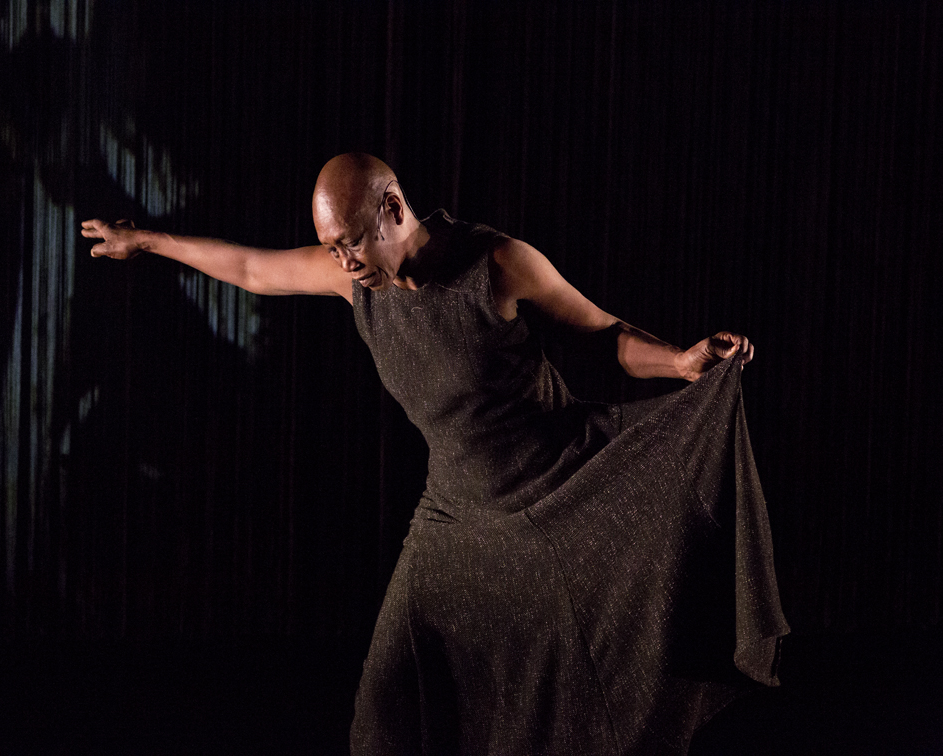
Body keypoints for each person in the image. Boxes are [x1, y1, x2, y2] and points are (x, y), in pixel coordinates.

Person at [83, 152, 788, 755]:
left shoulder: (498, 264)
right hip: (455, 519)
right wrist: (145, 241)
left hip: (556, 496)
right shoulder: (355, 282)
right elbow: (250, 268)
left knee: (571, 704)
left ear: (392, 208)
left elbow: (604, 336)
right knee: (386, 714)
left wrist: (681, 362)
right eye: (330, 248)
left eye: (350, 243)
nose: (342, 261)